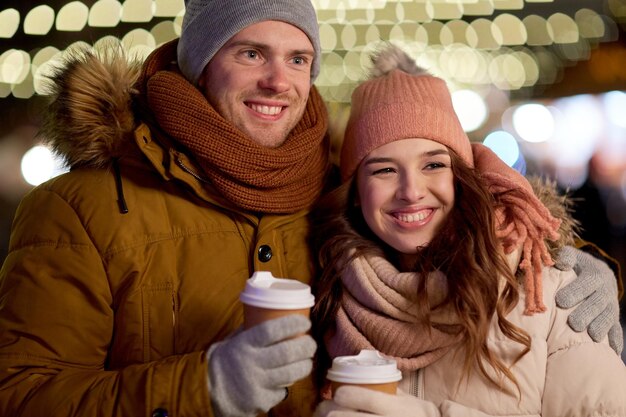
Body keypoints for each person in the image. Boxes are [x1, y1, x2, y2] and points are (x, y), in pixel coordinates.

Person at [0, 1, 619, 415]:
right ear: (198, 63)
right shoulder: (80, 207)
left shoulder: (332, 191)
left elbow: (436, 175)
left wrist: (562, 257)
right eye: (250, 53)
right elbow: (20, 394)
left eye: (297, 59)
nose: (279, 80)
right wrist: (202, 385)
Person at [311, 44, 626, 416]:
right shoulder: (328, 292)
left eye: (432, 165)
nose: (411, 192)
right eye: (384, 170)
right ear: (355, 193)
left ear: (461, 177)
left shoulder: (551, 291)